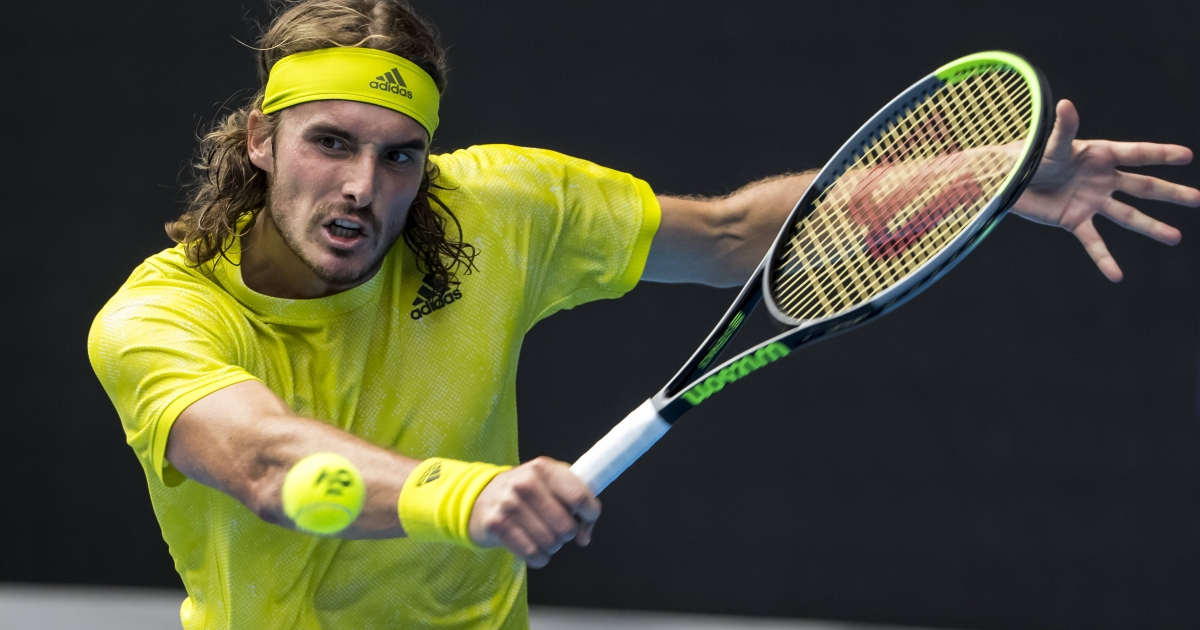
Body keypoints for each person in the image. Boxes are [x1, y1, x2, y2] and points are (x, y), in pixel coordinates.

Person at [86, 0, 1199, 628]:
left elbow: (732, 236)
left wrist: (987, 175)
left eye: (399, 155)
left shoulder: (496, 210)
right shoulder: (160, 317)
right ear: (260, 139)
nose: (362, 188)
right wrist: (468, 497)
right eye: (330, 143)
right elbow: (268, 464)